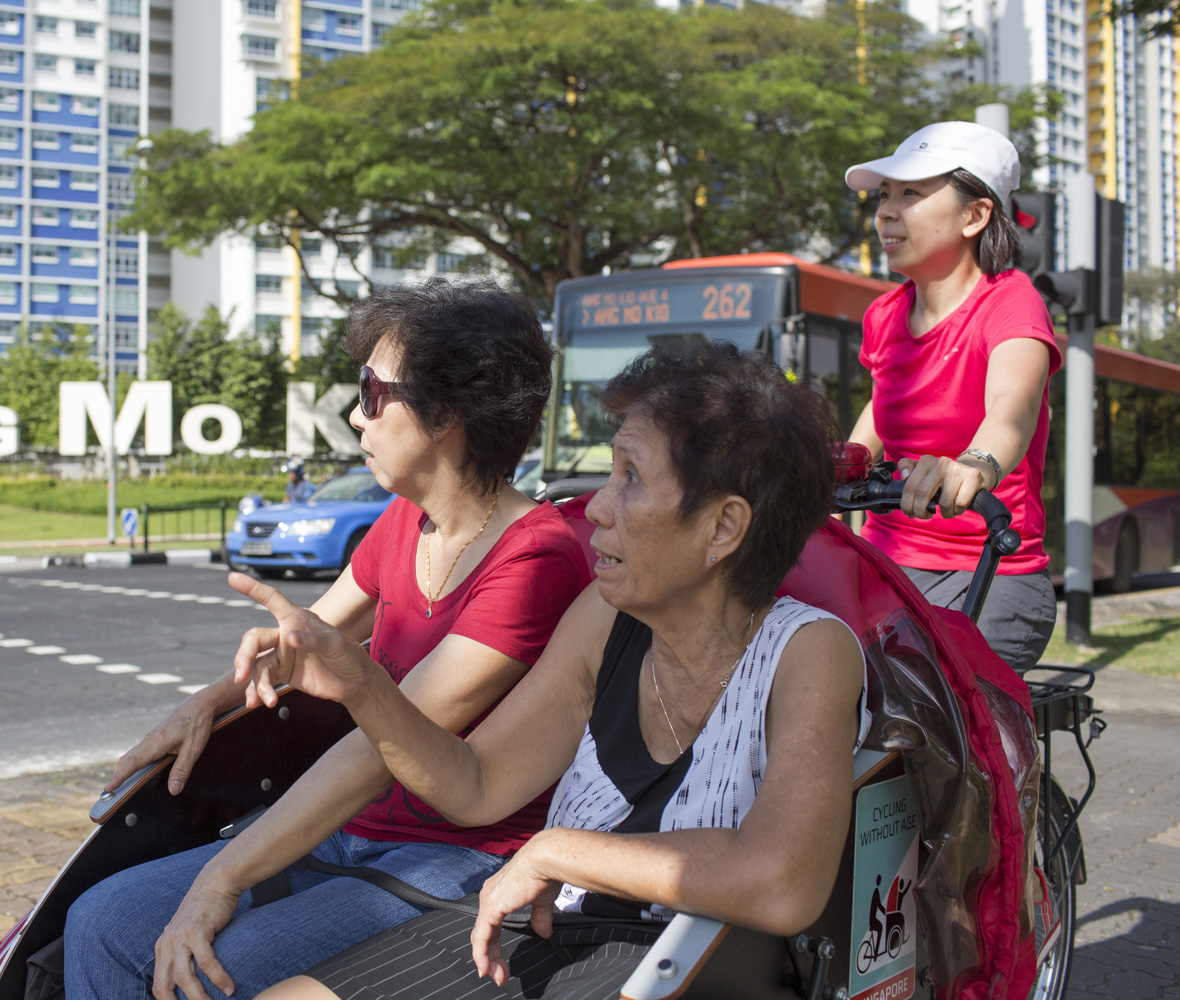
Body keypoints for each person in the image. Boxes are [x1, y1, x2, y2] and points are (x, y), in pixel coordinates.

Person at [236, 343, 872, 1000]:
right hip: (540, 928)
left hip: (685, 960)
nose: (595, 507)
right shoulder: (605, 616)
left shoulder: (807, 650)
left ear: (723, 527)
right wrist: (367, 689)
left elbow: (781, 882)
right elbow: (476, 784)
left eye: (631, 477)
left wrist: (555, 852)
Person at [63, 279, 592, 1000]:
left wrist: (223, 877)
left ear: (446, 414)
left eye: (374, 393)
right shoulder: (405, 523)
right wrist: (206, 705)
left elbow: (381, 745)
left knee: (216, 971)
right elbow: (307, 645)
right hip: (355, 831)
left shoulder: (535, 559)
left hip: (458, 855)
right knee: (99, 920)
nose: (354, 414)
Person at [843, 121, 1062, 671]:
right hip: (886, 562)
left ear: (975, 215)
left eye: (911, 194)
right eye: (884, 196)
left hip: (988, 568)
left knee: (928, 712)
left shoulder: (1010, 302)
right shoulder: (884, 315)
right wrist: (836, 463)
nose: (886, 212)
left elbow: (1013, 410)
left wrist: (976, 463)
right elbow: (884, 402)